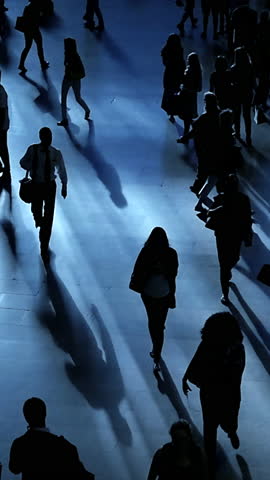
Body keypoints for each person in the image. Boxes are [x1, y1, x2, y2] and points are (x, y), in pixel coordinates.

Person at [182, 312, 245, 480]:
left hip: (217, 393)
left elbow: (234, 373)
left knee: (218, 423)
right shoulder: (228, 347)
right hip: (222, 394)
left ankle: (230, 431)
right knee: (211, 428)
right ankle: (211, 460)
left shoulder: (234, 349)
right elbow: (197, 359)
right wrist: (187, 375)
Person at [9, 397, 95, 480]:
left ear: (26, 417)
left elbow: (14, 469)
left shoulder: (19, 444)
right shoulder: (64, 446)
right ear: (45, 414)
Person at [129, 227, 178, 372]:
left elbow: (137, 270)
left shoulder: (146, 252)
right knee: (159, 324)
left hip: (148, 291)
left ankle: (156, 348)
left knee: (152, 320)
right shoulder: (170, 253)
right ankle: (157, 351)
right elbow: (174, 273)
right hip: (164, 292)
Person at [20, 127, 67, 262]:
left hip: (47, 185)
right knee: (37, 208)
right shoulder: (35, 150)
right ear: (42, 138)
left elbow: (61, 169)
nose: (49, 140)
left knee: (48, 213)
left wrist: (64, 184)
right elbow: (23, 162)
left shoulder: (54, 153)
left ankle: (44, 240)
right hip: (38, 184)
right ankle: (40, 223)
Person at [208, 174, 253, 304]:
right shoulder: (225, 199)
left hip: (231, 234)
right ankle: (225, 293)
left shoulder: (241, 199)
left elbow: (247, 218)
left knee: (233, 258)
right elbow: (247, 218)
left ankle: (227, 273)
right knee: (225, 263)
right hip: (226, 235)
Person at [178, 92, 220, 198]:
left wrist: (184, 138)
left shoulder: (205, 116)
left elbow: (195, 130)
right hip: (215, 145)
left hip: (203, 145)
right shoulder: (218, 114)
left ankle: (197, 187)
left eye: (205, 100)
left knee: (202, 166)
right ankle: (199, 186)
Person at [57, 38, 90, 127]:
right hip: (76, 79)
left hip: (68, 79)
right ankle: (87, 110)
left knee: (64, 99)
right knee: (78, 97)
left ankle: (64, 120)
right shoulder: (76, 55)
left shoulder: (68, 55)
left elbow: (67, 65)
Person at [230, 46, 256, 146]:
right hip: (247, 93)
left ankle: (237, 133)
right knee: (247, 116)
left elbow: (231, 82)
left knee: (237, 114)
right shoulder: (250, 67)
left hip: (237, 93)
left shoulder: (234, 68)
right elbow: (253, 83)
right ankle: (248, 137)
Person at [18, 0, 49, 74]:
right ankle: (42, 63)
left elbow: (24, 17)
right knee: (39, 46)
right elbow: (40, 17)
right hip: (35, 29)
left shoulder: (27, 7)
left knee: (27, 47)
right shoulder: (37, 6)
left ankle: (21, 64)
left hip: (27, 30)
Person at [161, 33, 185, 123]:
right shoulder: (179, 50)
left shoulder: (166, 51)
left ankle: (170, 111)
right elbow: (182, 63)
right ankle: (173, 111)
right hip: (176, 74)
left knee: (169, 92)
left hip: (170, 74)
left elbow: (165, 63)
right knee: (173, 92)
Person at [177, 51, 202, 136]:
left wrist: (186, 89)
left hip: (187, 96)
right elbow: (199, 88)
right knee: (188, 115)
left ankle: (187, 132)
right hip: (190, 96)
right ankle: (191, 131)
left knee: (186, 115)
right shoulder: (196, 71)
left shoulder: (190, 70)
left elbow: (197, 88)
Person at [0, 69, 10, 178]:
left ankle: (7, 167)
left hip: (1, 125)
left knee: (2, 146)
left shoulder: (1, 92)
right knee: (2, 146)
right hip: (3, 124)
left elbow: (2, 111)